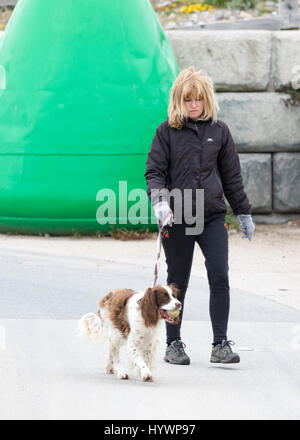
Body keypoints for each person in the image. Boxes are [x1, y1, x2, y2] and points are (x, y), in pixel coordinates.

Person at [144, 66, 255, 365]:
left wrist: (243, 212)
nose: (194, 105)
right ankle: (173, 344)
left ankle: (220, 344)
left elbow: (232, 176)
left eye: (199, 100)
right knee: (177, 282)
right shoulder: (166, 132)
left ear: (207, 100)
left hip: (211, 217)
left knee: (220, 275)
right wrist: (160, 202)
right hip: (177, 218)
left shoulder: (220, 132)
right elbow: (154, 172)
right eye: (188, 100)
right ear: (179, 101)